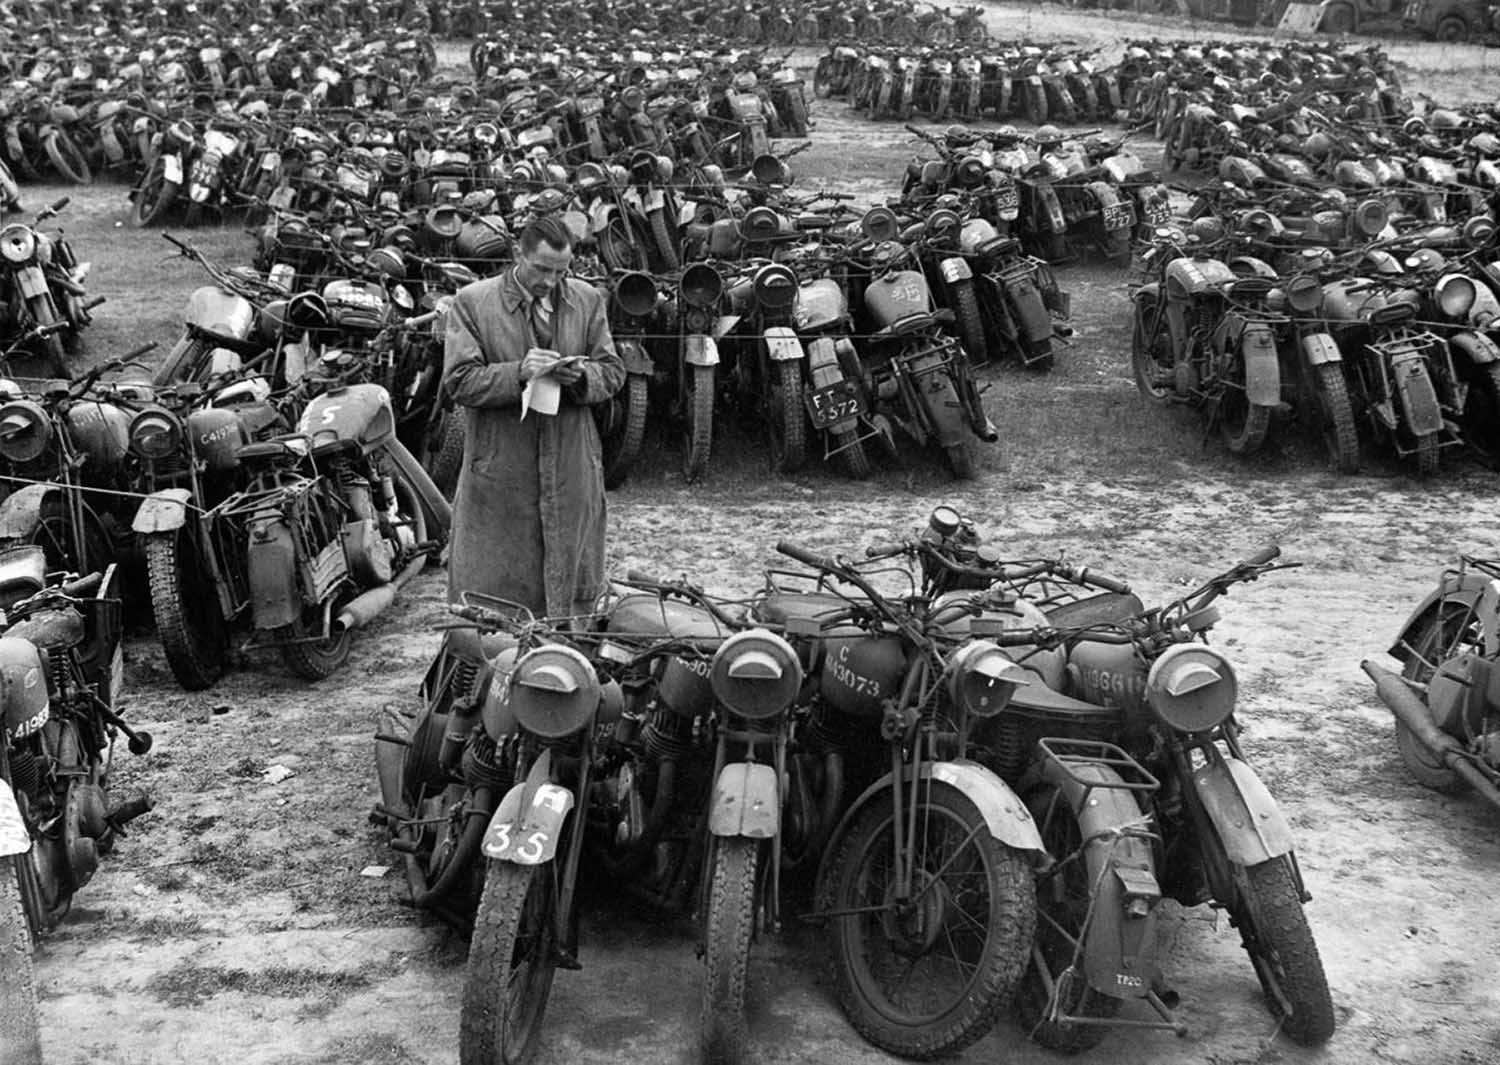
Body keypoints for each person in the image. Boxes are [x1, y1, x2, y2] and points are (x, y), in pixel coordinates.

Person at [442, 214, 624, 619]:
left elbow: (612, 370)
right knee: (495, 590)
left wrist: (580, 378)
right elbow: (459, 381)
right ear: (517, 255)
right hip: (502, 466)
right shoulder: (472, 302)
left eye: (561, 272)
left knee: (572, 585)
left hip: (571, 461)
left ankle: (561, 671)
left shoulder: (588, 300)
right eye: (542, 269)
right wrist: (517, 372)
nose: (551, 282)